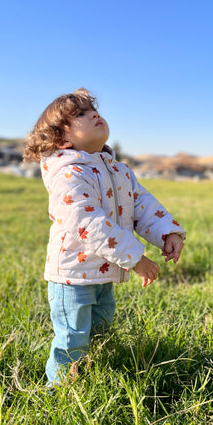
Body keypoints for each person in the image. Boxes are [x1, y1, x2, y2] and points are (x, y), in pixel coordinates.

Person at [23, 88, 186, 386]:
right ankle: (58, 389)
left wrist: (167, 233)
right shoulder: (69, 174)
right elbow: (88, 222)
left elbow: (141, 205)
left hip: (102, 272)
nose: (94, 114)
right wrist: (135, 258)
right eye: (81, 115)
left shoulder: (117, 170)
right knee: (72, 336)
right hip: (72, 274)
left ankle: (93, 370)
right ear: (63, 139)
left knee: (99, 326)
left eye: (92, 110)